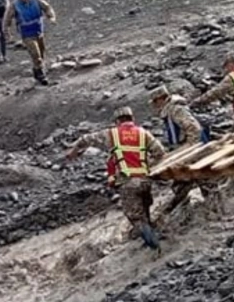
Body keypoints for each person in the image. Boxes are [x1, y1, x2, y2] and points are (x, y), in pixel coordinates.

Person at [66, 106, 168, 250]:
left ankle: (155, 247)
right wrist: (146, 165)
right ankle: (150, 236)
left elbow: (86, 139)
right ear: (132, 119)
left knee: (135, 217)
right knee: (144, 209)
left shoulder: (112, 134)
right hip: (145, 180)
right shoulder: (143, 133)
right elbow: (160, 152)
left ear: (118, 121)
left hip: (127, 183)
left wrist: (74, 151)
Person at [151, 85, 220, 218]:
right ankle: (182, 214)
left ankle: (216, 213)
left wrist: (192, 148)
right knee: (182, 184)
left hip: (194, 152)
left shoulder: (176, 109)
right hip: (186, 150)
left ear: (160, 99)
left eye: (155, 102)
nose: (154, 106)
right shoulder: (170, 109)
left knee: (205, 181)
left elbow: (193, 127)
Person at [3, 0, 56, 85]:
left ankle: (36, 70)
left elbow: (47, 8)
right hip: (27, 35)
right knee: (36, 54)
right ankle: (42, 76)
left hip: (39, 32)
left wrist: (51, 17)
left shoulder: (37, 0)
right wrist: (8, 35)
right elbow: (6, 21)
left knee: (41, 53)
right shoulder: (14, 5)